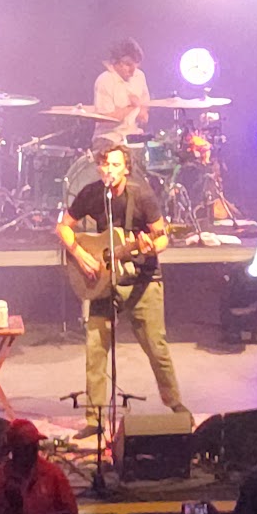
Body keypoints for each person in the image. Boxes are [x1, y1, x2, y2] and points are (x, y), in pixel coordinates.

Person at [55, 143, 185, 437]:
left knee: (156, 347)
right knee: (95, 350)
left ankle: (176, 406)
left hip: (142, 279)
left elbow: (162, 237)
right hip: (104, 281)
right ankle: (95, 419)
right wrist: (80, 254)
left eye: (115, 165)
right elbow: (63, 227)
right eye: (105, 165)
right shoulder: (91, 193)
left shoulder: (142, 195)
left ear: (126, 168)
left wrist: (151, 247)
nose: (109, 170)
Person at [93, 37, 150, 141]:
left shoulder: (139, 76)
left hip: (133, 135)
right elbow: (105, 119)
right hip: (109, 137)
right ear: (115, 62)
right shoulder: (104, 80)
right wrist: (132, 107)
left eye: (136, 65)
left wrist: (142, 113)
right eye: (128, 64)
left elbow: (144, 112)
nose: (133, 70)